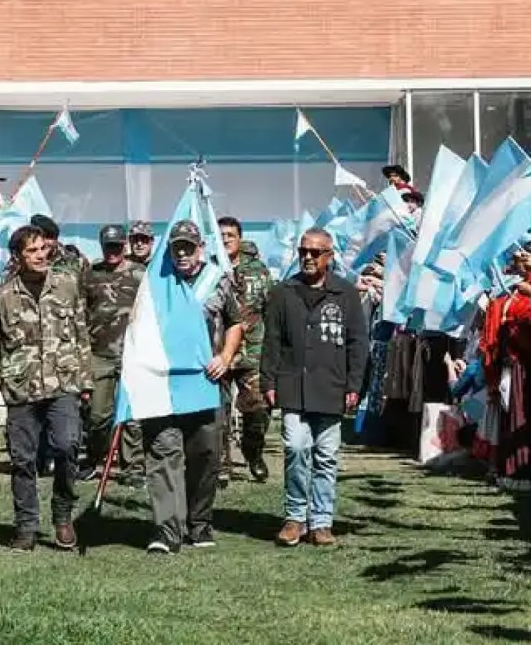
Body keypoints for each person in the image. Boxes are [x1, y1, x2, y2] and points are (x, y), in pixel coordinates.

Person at [0, 224, 92, 552]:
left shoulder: (67, 285)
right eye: (32, 251)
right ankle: (26, 526)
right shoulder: (3, 295)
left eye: (43, 248)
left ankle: (62, 515)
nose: (41, 255)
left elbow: (81, 331)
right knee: (22, 459)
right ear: (18, 256)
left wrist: (85, 380)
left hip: (63, 383)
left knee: (68, 445)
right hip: (21, 388)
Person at [261, 227, 368, 547]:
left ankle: (321, 522)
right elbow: (272, 341)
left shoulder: (346, 294)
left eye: (314, 252)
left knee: (326, 456)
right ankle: (295, 518)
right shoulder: (283, 292)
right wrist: (268, 380)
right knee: (295, 448)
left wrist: (354, 385)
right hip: (293, 386)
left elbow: (357, 344)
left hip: (332, 387)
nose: (307, 257)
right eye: (303, 251)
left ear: (329, 256)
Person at [143, 220, 243, 555]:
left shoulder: (219, 280)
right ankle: (167, 530)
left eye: (189, 246)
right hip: (163, 384)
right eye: (177, 248)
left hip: (206, 383)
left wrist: (226, 357)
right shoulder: (155, 283)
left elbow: (235, 322)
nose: (183, 253)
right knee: (163, 453)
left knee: (204, 455)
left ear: (201, 248)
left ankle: (199, 524)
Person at [82, 224, 144, 484]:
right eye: (108, 246)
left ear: (124, 246)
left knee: (133, 416)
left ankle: (133, 468)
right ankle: (95, 457)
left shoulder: (140, 274)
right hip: (99, 354)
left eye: (117, 246)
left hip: (133, 354)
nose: (112, 252)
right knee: (98, 416)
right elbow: (80, 314)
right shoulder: (90, 275)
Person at [218, 216, 273, 483]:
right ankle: (222, 465)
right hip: (218, 352)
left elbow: (270, 310)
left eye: (230, 235)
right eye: (222, 235)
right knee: (219, 412)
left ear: (240, 239)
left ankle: (254, 452)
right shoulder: (209, 270)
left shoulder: (259, 272)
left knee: (258, 411)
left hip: (252, 351)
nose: (226, 239)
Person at [31, 213, 90, 288]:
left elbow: (89, 287)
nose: (45, 242)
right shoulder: (24, 259)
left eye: (49, 237)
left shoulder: (74, 259)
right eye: (41, 237)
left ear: (56, 239)